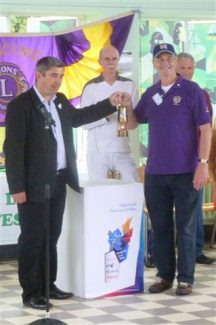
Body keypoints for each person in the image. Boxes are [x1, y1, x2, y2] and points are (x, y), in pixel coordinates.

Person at [3, 56, 122, 310]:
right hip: (33, 185)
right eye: (53, 76)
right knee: (33, 238)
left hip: (59, 182)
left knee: (51, 236)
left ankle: (48, 285)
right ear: (39, 75)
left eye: (61, 76)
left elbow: (80, 118)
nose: (58, 81)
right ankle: (31, 291)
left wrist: (110, 104)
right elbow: (12, 149)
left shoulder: (60, 101)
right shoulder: (21, 105)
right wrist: (17, 188)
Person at [125, 43, 212, 295]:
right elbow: (132, 123)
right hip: (156, 173)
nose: (165, 63)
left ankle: (186, 278)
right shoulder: (151, 92)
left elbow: (205, 129)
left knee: (184, 226)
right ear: (154, 63)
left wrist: (203, 163)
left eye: (168, 59)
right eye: (160, 59)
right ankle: (164, 276)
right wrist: (124, 105)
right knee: (160, 226)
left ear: (174, 62)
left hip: (186, 171)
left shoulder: (191, 90)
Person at [177, 52, 215, 265]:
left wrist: (204, 160)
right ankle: (156, 251)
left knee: (195, 206)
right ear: (175, 68)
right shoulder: (162, 93)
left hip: (196, 159)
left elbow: (207, 128)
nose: (187, 72)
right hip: (172, 160)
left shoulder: (202, 94)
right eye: (183, 68)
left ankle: (197, 250)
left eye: (190, 68)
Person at [80, 45, 138, 181]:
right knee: (100, 192)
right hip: (97, 151)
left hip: (122, 148)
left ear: (118, 60)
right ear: (100, 61)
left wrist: (128, 106)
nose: (111, 62)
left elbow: (133, 125)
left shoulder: (129, 85)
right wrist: (108, 110)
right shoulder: (91, 87)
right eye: (107, 59)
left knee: (130, 188)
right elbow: (84, 123)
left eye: (114, 59)